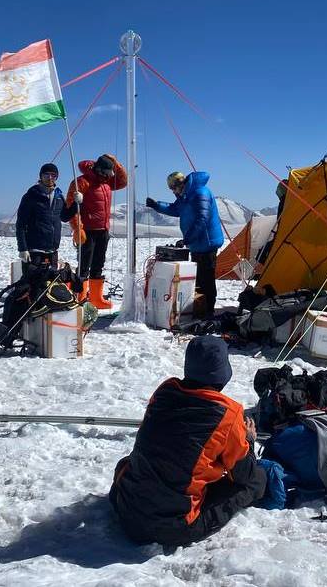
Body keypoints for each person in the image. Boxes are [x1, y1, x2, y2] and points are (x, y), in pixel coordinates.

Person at [108, 336, 267, 546]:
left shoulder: (165, 391)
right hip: (172, 526)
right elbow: (244, 475)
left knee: (132, 462)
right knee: (257, 480)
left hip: (126, 506)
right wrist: (249, 440)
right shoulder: (228, 415)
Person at [146, 171, 225, 319]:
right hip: (197, 244)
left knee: (206, 279)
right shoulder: (185, 196)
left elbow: (202, 219)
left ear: (180, 184)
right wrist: (157, 206)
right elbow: (175, 209)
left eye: (173, 188)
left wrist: (186, 239)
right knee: (199, 279)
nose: (173, 192)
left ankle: (208, 311)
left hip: (207, 243)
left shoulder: (200, 193)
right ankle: (200, 308)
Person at [65, 153, 127, 309]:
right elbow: (72, 207)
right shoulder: (82, 182)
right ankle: (79, 297)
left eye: (110, 173)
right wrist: (77, 228)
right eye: (106, 173)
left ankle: (95, 298)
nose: (109, 176)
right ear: (99, 170)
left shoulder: (106, 183)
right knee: (84, 265)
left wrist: (115, 162)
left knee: (99, 264)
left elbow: (123, 181)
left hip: (103, 230)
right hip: (87, 231)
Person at [14, 162, 76, 278]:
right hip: (34, 250)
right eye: (46, 175)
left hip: (52, 250)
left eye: (53, 175)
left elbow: (64, 217)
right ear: (41, 176)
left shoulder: (59, 197)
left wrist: (76, 205)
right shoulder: (31, 196)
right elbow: (21, 224)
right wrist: (23, 248)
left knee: (48, 285)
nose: (50, 178)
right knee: (31, 284)